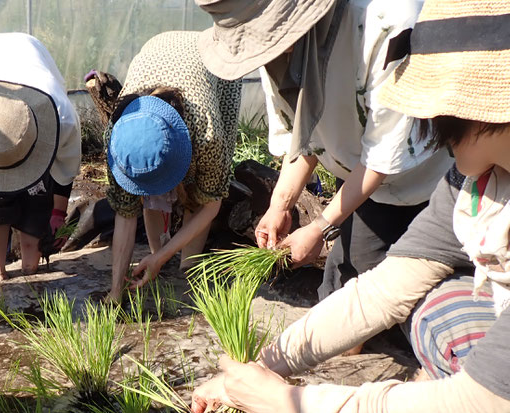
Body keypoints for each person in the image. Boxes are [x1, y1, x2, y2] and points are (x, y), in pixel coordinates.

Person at [192, 1, 510, 413]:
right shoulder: (479, 185)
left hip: (489, 406)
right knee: (433, 306)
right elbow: (383, 289)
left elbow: (476, 410)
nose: (427, 122)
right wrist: (264, 368)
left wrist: (292, 406)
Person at [195, 0, 454, 307]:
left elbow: (383, 152)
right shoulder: (275, 54)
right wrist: (280, 206)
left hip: (431, 178)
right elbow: (303, 138)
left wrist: (320, 228)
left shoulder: (385, 24)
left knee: (410, 294)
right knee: (344, 291)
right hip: (362, 178)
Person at [105, 31, 241, 303]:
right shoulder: (119, 138)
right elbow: (126, 211)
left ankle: (185, 276)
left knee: (196, 196)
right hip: (156, 48)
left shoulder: (207, 133)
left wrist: (161, 257)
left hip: (213, 61)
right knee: (149, 185)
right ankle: (161, 261)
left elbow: (210, 204)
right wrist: (116, 289)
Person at [0, 33, 80, 309]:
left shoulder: (61, 118)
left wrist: (58, 213)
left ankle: (30, 272)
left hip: (30, 64)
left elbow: (65, 171)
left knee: (36, 204)